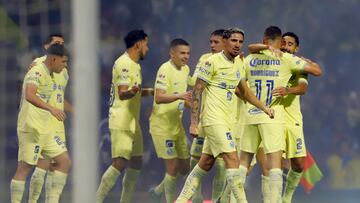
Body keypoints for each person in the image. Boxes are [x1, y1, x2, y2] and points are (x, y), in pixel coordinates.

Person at [175, 28, 274, 203]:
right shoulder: (211, 62)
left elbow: (246, 92)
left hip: (228, 121)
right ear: (225, 41)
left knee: (205, 163)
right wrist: (193, 122)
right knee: (233, 159)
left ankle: (181, 200)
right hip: (214, 120)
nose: (237, 45)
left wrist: (264, 107)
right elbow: (197, 92)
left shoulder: (239, 64)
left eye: (240, 42)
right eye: (234, 41)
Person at [239, 26, 322, 203]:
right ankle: (269, 199)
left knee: (298, 164)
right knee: (270, 165)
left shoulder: (293, 63)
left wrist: (288, 89)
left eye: (289, 44)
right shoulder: (272, 58)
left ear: (296, 48)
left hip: (291, 120)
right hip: (271, 117)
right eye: (283, 43)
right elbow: (252, 50)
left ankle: (286, 197)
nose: (285, 46)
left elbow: (303, 87)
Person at [96, 29, 151, 203]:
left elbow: (135, 92)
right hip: (121, 119)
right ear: (138, 44)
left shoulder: (135, 65)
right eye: (146, 44)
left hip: (133, 121)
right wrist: (132, 91)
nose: (148, 49)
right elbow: (123, 93)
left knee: (136, 162)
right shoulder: (124, 63)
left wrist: (155, 93)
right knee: (119, 163)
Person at [11, 44, 68, 203]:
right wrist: (51, 108)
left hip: (46, 129)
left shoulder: (51, 74)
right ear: (54, 59)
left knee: (64, 162)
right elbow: (29, 94)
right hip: (31, 128)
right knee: (24, 168)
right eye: (64, 62)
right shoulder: (37, 71)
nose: (65, 66)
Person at [27, 33, 73, 203]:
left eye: (62, 43)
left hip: (58, 125)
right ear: (47, 47)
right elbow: (30, 94)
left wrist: (75, 110)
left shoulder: (64, 72)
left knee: (58, 166)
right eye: (56, 43)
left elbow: (59, 97)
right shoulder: (37, 65)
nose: (60, 46)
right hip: (43, 122)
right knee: (43, 165)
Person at [149, 38, 192, 203]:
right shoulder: (164, 69)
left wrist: (193, 107)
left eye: (188, 53)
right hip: (162, 126)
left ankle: (158, 191)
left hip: (176, 126)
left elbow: (184, 96)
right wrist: (180, 96)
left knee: (185, 168)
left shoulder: (186, 69)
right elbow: (159, 97)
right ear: (172, 53)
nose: (186, 56)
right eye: (182, 53)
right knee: (172, 168)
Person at [189, 29, 227, 203]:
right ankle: (195, 196)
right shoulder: (204, 59)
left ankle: (216, 198)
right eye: (210, 42)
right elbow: (196, 82)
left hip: (223, 120)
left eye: (216, 42)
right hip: (205, 118)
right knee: (195, 159)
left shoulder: (234, 61)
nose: (212, 45)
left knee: (220, 164)